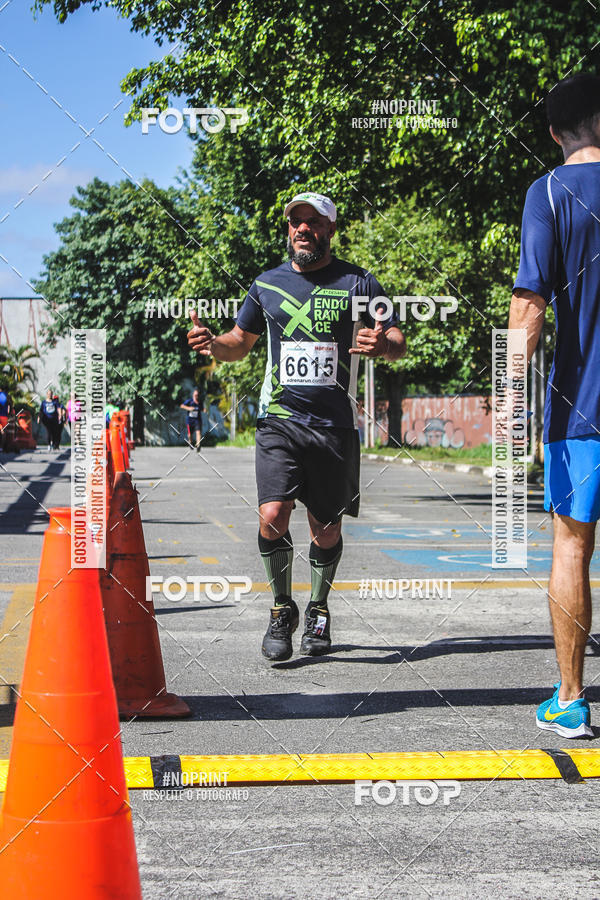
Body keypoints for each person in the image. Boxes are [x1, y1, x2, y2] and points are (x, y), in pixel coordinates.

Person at [188, 190, 406, 660]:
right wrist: (210, 344)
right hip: (279, 421)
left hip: (333, 426)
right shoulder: (266, 284)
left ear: (329, 228)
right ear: (288, 229)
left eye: (312, 222)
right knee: (272, 515)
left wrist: (382, 345)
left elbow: (396, 337)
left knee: (325, 528)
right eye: (295, 222)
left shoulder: (359, 282)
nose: (302, 229)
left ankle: (319, 609)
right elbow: (237, 344)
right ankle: (281, 607)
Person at [510, 73, 600, 738]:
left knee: (571, 549)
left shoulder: (548, 193)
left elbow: (528, 306)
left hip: (582, 409)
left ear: (553, 133)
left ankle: (570, 700)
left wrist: (514, 392)